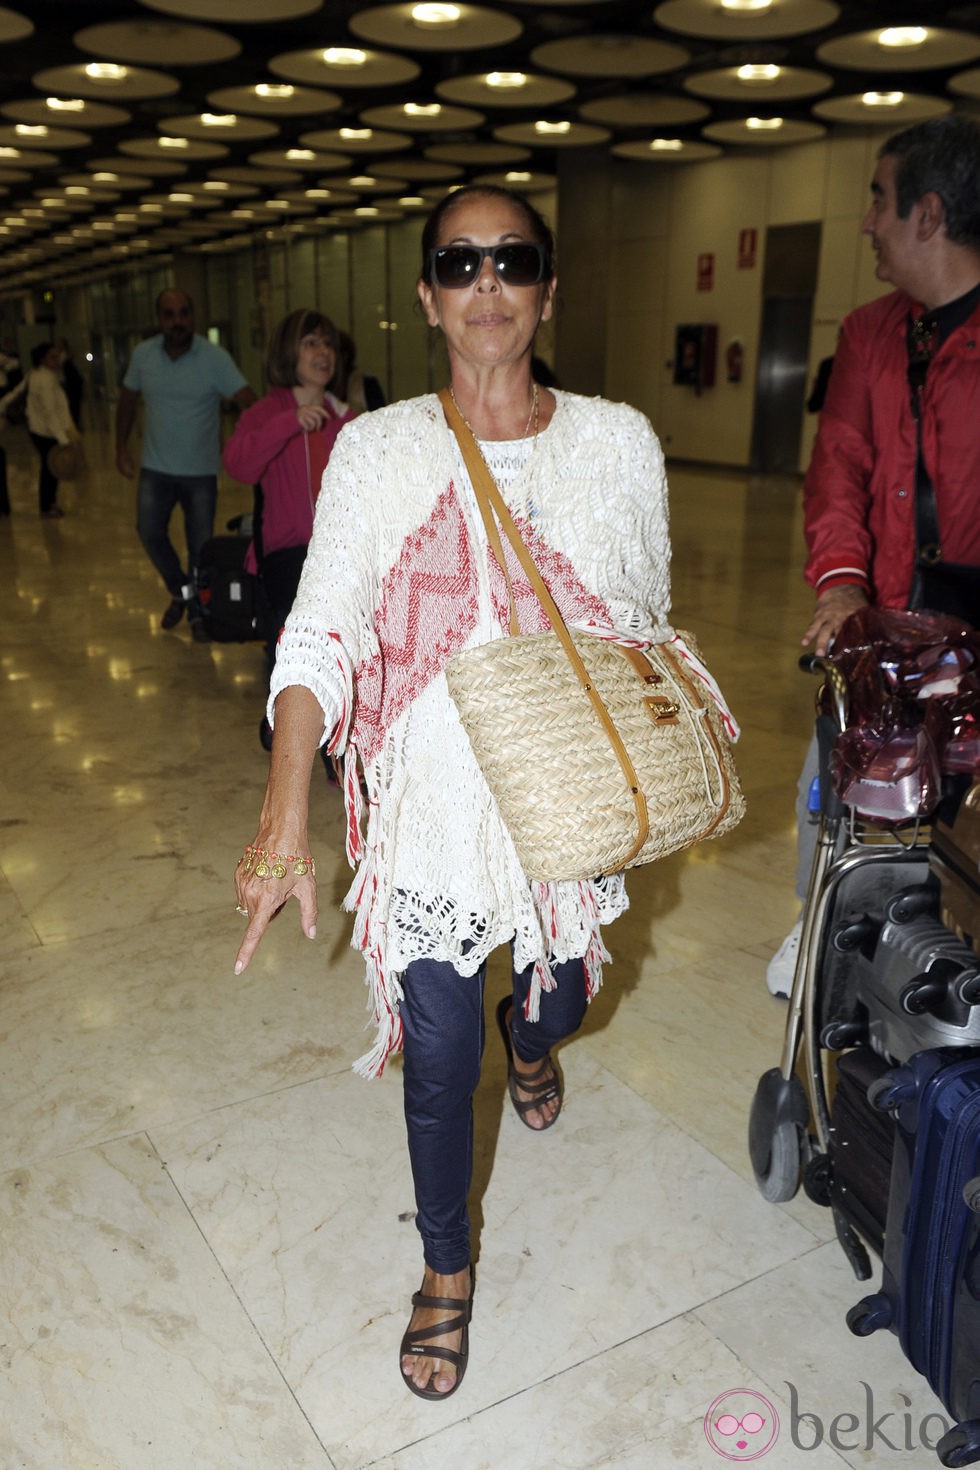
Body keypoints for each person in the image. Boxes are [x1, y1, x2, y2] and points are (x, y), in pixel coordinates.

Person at [232, 184, 673, 1400]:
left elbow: (648, 635)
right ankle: (444, 1268)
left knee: (559, 1002)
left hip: (564, 807)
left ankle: (527, 1041)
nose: (487, 284)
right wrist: (284, 813)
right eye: (459, 263)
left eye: (512, 261)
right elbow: (318, 633)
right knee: (436, 1055)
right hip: (427, 805)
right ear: (427, 296)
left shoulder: (619, 443)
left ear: (545, 290)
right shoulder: (377, 451)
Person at [766, 114, 980, 997]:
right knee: (848, 786)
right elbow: (840, 469)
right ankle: (825, 922)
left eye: (878, 202)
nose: (867, 224)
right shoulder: (867, 335)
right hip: (896, 614)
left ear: (928, 214)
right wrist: (844, 580)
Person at [222, 309, 356, 747]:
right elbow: (239, 464)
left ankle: (335, 744)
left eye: (328, 344)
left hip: (337, 550)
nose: (323, 353)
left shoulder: (343, 414)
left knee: (345, 644)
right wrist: (288, 423)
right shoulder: (267, 412)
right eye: (311, 343)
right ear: (287, 352)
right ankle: (287, 718)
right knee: (295, 644)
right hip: (285, 552)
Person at [115, 289, 256, 639]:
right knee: (148, 532)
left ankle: (197, 613)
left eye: (183, 313)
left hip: (200, 473)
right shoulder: (143, 355)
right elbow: (127, 401)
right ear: (159, 319)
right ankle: (181, 590)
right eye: (169, 314)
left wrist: (253, 446)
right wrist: (120, 447)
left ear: (193, 316)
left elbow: (248, 401)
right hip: (155, 468)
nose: (177, 321)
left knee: (200, 547)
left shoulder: (214, 358)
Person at [26, 341, 76, 519]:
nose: (57, 360)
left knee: (52, 468)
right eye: (52, 357)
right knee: (49, 468)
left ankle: (50, 502)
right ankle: (46, 505)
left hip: (46, 429)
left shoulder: (46, 374)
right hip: (44, 431)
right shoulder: (44, 380)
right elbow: (49, 412)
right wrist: (62, 438)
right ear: (43, 360)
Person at [56, 339, 84, 429]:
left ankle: (73, 423)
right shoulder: (64, 361)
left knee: (73, 406)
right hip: (67, 384)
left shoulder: (66, 362)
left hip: (70, 385)